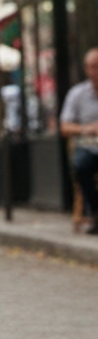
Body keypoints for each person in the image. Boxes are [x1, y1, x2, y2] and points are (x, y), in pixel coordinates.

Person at [60, 48, 98, 235]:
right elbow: (64, 126)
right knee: (81, 166)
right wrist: (87, 129)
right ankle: (95, 212)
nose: (95, 71)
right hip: (88, 146)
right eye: (92, 67)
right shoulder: (77, 94)